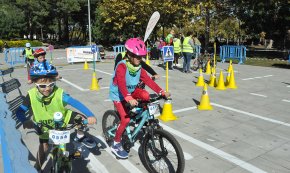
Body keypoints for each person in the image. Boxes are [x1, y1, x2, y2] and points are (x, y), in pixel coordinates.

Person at [16, 62, 97, 170]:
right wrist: (25, 120)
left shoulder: (59, 93)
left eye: (51, 84)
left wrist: (90, 115)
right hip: (43, 125)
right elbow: (19, 112)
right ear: (35, 84)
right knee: (44, 148)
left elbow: (75, 103)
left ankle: (80, 136)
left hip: (62, 119)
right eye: (43, 86)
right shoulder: (31, 96)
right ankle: (37, 168)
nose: (47, 89)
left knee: (81, 119)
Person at [109, 38, 170, 159]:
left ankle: (140, 117)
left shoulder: (138, 67)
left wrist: (161, 91)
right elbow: (121, 83)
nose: (139, 59)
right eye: (137, 56)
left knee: (146, 96)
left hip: (131, 91)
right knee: (126, 120)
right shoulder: (122, 66)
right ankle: (115, 143)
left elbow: (147, 80)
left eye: (141, 56)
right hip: (118, 94)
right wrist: (127, 97)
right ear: (129, 54)